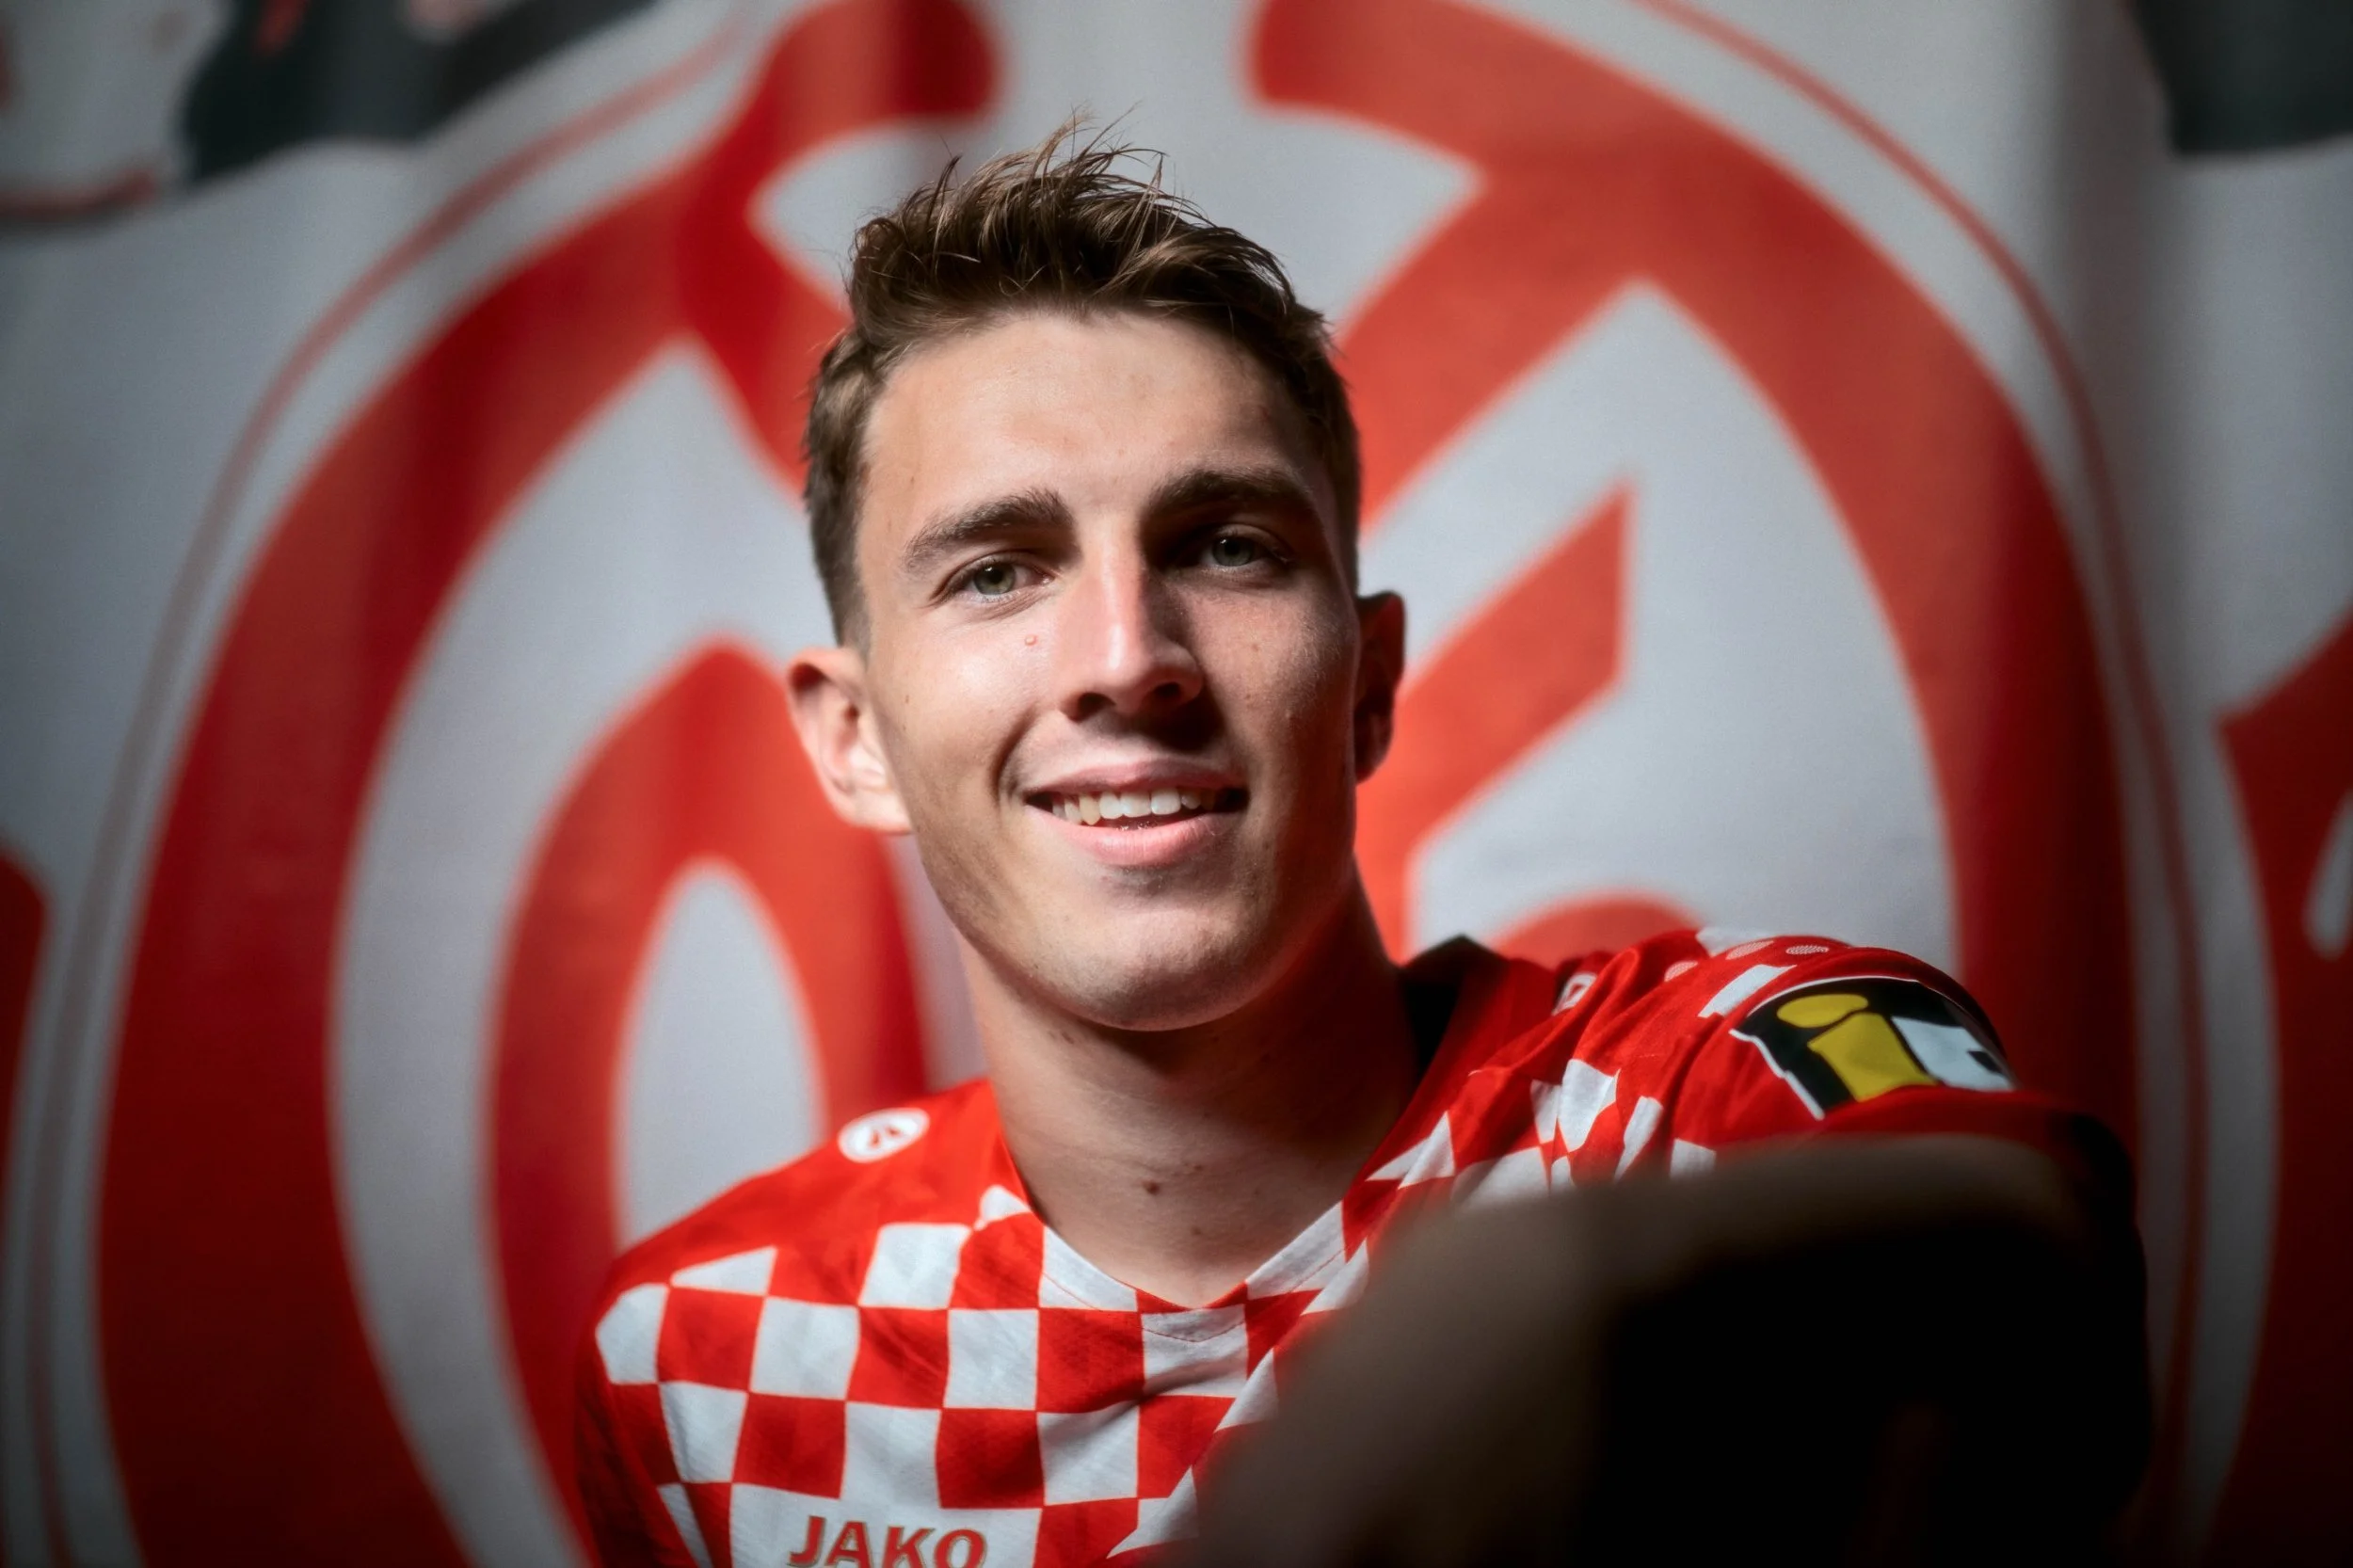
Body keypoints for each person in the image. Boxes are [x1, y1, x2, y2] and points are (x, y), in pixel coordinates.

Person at [572, 130, 2147, 1568]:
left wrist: (1589, 1287)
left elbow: (2048, 1259)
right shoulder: (697, 1356)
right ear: (854, 739)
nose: (1129, 653)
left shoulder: (1705, 1083)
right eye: (998, 569)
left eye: (1229, 545)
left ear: (1373, 683)